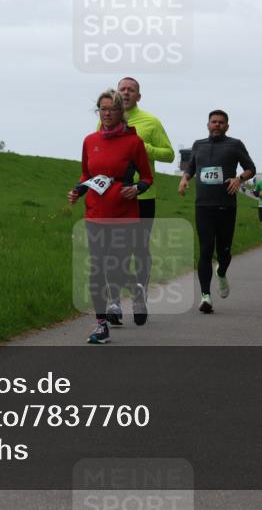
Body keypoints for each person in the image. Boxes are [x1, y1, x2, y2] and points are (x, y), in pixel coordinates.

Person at [69, 90, 153, 343]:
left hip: (124, 213)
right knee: (97, 268)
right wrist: (77, 191)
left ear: (121, 112)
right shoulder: (89, 140)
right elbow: (87, 175)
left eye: (111, 109)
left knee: (114, 267)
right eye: (102, 109)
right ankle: (101, 324)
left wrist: (137, 188)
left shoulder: (133, 142)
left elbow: (147, 177)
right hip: (95, 212)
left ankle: (136, 290)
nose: (106, 114)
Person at [97, 77, 174, 326]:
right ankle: (115, 303)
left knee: (138, 251)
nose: (126, 93)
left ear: (138, 96)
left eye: (131, 90)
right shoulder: (105, 121)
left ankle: (139, 298)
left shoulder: (151, 122)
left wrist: (145, 148)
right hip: (114, 197)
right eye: (122, 89)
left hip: (143, 196)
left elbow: (169, 155)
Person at [178, 110, 255, 314]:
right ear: (208, 125)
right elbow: (192, 166)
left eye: (221, 122)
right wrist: (185, 178)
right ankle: (205, 296)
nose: (217, 125)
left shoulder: (235, 144)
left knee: (224, 251)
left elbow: (251, 168)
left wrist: (239, 179)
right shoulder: (198, 144)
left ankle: (221, 271)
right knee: (205, 249)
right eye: (214, 122)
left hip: (226, 205)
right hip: (203, 206)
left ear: (227, 126)